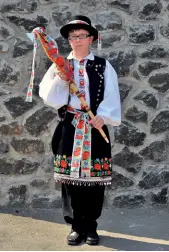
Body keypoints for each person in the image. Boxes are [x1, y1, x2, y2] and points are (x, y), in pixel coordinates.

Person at [39, 15, 121, 246]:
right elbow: (49, 97)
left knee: (95, 180)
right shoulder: (61, 65)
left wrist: (103, 117)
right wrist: (59, 76)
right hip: (70, 127)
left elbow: (112, 94)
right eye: (72, 37)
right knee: (70, 180)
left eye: (82, 36)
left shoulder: (103, 66)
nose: (77, 40)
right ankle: (76, 226)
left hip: (95, 127)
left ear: (92, 38)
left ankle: (91, 227)